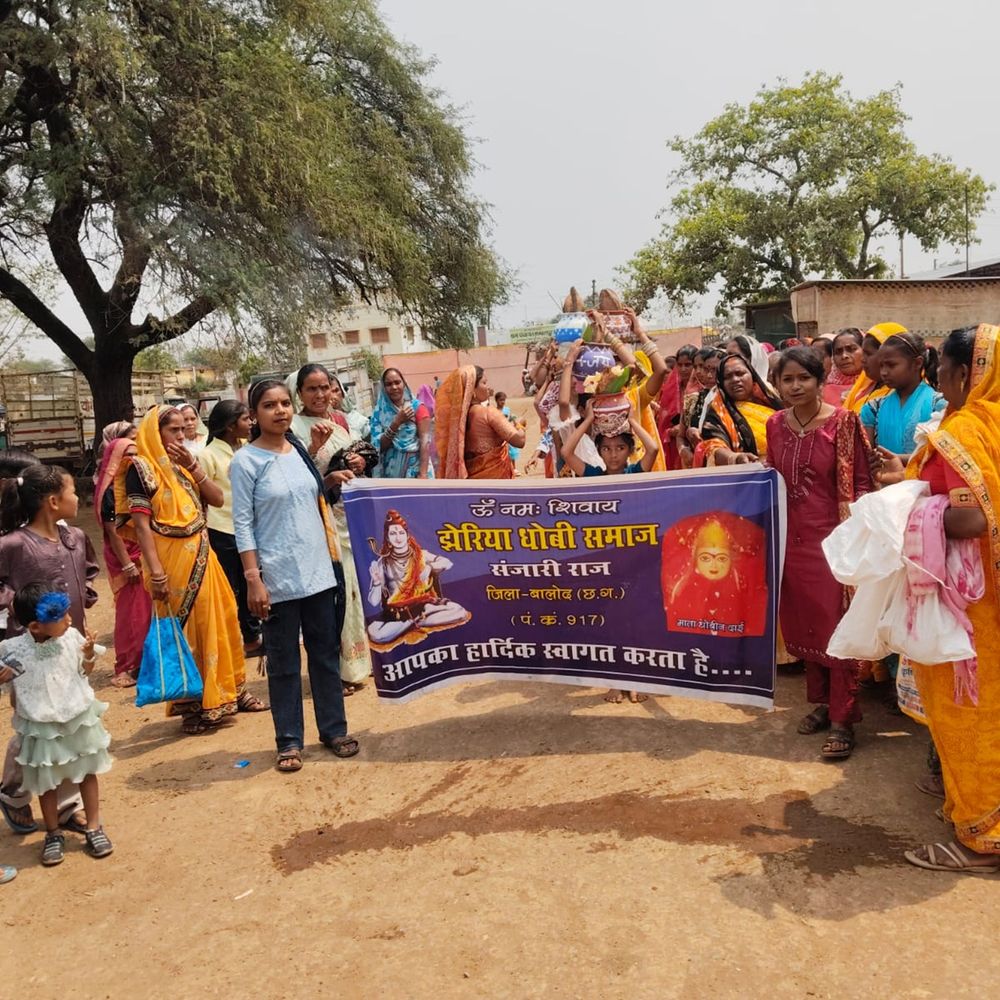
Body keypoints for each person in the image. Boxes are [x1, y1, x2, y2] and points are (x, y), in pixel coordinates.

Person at [862, 324, 1000, 873]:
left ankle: (982, 835)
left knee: (970, 710)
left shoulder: (964, 429)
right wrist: (913, 475)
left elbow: (969, 517)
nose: (940, 383)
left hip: (971, 605)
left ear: (966, 373)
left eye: (943, 370)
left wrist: (903, 510)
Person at [230, 379, 360, 773]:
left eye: (285, 403)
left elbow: (309, 499)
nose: (281, 411)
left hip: (319, 571)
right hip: (276, 577)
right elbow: (243, 524)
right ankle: (289, 741)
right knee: (284, 661)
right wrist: (254, 578)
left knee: (323, 654)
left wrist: (331, 481)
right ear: (254, 415)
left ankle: (334, 730)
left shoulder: (299, 450)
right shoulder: (246, 462)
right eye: (270, 405)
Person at [766, 347, 874, 760]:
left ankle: (845, 720)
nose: (795, 386)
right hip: (792, 542)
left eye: (803, 378)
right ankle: (822, 705)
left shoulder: (844, 423)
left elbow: (861, 483)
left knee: (837, 628)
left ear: (819, 379)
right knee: (808, 625)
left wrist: (858, 534)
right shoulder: (776, 424)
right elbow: (772, 477)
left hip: (834, 543)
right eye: (786, 379)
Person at [122, 405, 252, 734]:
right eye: (174, 431)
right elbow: (141, 527)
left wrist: (193, 466)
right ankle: (191, 706)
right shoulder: (141, 468)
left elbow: (218, 499)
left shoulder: (185, 466)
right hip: (170, 561)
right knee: (188, 630)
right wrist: (156, 572)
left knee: (221, 618)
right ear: (156, 433)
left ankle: (231, 691)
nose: (182, 436)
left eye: (184, 430)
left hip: (204, 554)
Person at [0, 458, 91, 836]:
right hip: (28, 657)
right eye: (72, 492)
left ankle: (68, 805)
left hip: (69, 650)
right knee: (35, 726)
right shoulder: (12, 545)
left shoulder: (76, 538)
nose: (77, 499)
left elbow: (84, 582)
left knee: (69, 721)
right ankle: (14, 791)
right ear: (53, 501)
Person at [0, 585, 113, 866]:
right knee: (46, 782)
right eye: (60, 617)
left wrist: (87, 655)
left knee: (87, 772)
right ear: (36, 626)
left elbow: (84, 671)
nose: (69, 620)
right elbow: (5, 685)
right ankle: (53, 833)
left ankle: (94, 826)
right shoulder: (10, 650)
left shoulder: (72, 637)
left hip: (78, 718)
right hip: (40, 726)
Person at [287, 364, 373, 693]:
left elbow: (353, 456)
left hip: (347, 515)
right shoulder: (293, 426)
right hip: (316, 521)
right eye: (312, 389)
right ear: (299, 393)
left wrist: (358, 463)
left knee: (354, 591)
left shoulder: (339, 421)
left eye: (325, 387)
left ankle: (357, 663)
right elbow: (292, 477)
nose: (321, 395)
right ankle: (333, 669)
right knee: (332, 596)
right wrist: (322, 466)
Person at [199, 400, 263, 657]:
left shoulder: (249, 448)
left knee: (253, 581)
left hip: (251, 527)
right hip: (222, 527)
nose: (250, 423)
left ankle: (253, 634)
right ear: (229, 425)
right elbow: (201, 496)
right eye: (245, 419)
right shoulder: (208, 456)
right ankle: (241, 637)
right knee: (232, 585)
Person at [94, 436, 152, 687]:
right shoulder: (110, 491)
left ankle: (145, 663)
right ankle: (127, 665)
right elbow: (113, 531)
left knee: (147, 611)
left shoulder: (136, 482)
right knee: (131, 614)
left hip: (143, 554)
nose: (132, 459)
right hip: (127, 559)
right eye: (127, 455)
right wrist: (128, 563)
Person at [365, 509, 468, 648]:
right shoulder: (382, 563)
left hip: (423, 606)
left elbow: (448, 563)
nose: (398, 537)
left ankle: (418, 619)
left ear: (407, 535)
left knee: (458, 611)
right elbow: (373, 601)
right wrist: (377, 582)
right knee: (374, 633)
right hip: (397, 615)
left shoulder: (421, 555)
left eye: (401, 533)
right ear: (387, 538)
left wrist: (430, 567)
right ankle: (412, 623)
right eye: (393, 533)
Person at [861, 331, 941, 461]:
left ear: (917, 363)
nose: (884, 372)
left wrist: (895, 459)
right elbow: (867, 456)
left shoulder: (938, 405)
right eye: (881, 366)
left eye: (891, 365)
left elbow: (938, 457)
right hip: (885, 480)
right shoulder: (872, 408)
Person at [436, 366, 526, 479]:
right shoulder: (489, 413)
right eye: (484, 383)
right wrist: (520, 424)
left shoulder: (456, 420)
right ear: (471, 390)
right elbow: (519, 441)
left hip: (472, 482)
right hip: (495, 483)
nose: (487, 387)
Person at [696, 354, 783, 467]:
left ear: (752, 375)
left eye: (740, 374)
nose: (735, 380)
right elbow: (714, 447)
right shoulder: (717, 415)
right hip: (751, 477)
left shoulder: (773, 402)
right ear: (721, 384)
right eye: (728, 377)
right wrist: (735, 458)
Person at [560, 398, 660, 477]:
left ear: (630, 450)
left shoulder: (634, 473)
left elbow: (653, 449)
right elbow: (566, 453)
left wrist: (632, 421)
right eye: (606, 449)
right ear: (599, 452)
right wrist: (588, 420)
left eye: (620, 448)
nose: (613, 455)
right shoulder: (595, 476)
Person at [370, 368, 433, 478]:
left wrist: (423, 474)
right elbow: (378, 447)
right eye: (389, 384)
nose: (394, 387)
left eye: (397, 382)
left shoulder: (417, 408)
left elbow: (425, 442)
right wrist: (397, 422)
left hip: (415, 470)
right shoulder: (379, 413)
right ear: (384, 388)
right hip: (390, 473)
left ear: (404, 383)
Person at [842, 321, 905, 414]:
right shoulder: (864, 385)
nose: (862, 359)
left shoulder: (905, 395)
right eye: (863, 353)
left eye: (868, 353)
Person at [656, 344, 698, 469]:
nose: (683, 369)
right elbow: (663, 421)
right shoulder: (670, 390)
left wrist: (683, 428)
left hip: (696, 442)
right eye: (680, 365)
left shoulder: (702, 389)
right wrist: (669, 431)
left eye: (688, 365)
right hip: (674, 445)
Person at [823, 329, 865, 406]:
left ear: (865, 351)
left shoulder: (875, 386)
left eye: (851, 349)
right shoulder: (823, 393)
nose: (844, 356)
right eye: (838, 352)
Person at [494, 391, 523, 467]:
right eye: (501, 400)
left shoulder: (507, 409)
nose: (503, 402)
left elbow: (511, 418)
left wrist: (515, 421)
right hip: (500, 434)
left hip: (508, 432)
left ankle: (514, 468)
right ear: (496, 400)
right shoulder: (494, 411)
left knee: (512, 450)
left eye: (504, 400)